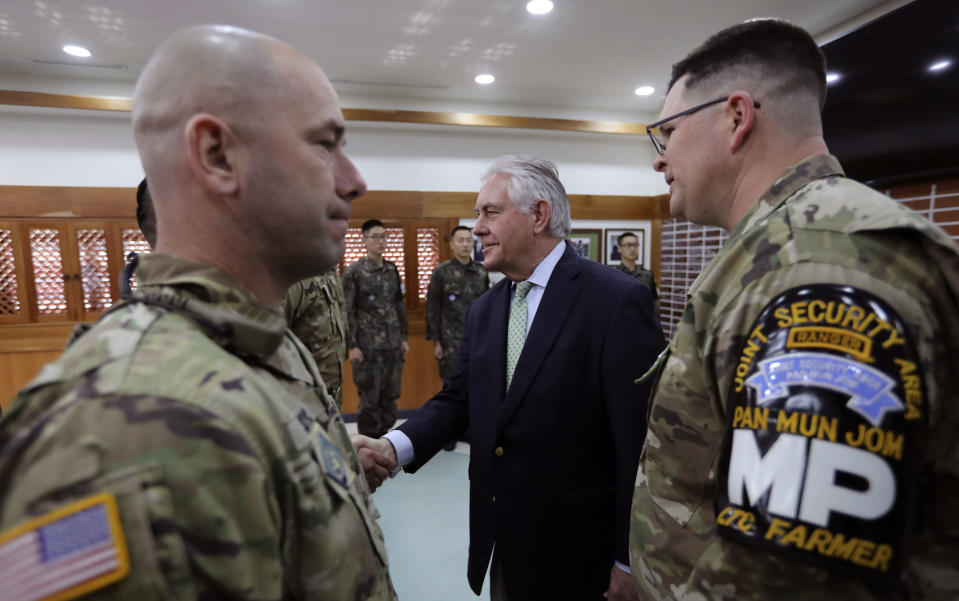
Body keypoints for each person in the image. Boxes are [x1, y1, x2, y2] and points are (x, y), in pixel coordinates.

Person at [0, 25, 398, 600]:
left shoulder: (265, 343)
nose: (354, 180)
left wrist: (317, 476)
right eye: (324, 144)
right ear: (217, 155)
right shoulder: (122, 423)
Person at [630, 19, 959, 600]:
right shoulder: (784, 245)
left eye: (668, 133)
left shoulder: (814, 267)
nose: (660, 160)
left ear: (736, 117)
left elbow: (792, 578)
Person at [356, 155, 665, 600]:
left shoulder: (615, 301)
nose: (477, 227)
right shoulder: (486, 309)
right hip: (504, 541)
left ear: (538, 215)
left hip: (584, 556)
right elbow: (459, 399)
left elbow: (639, 444)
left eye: (490, 212)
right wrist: (392, 447)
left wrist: (628, 559)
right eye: (477, 213)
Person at [343, 219, 409, 438]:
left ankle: (384, 443)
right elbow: (346, 312)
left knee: (390, 400)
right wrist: (351, 346)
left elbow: (399, 306)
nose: (381, 241)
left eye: (384, 236)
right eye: (376, 237)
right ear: (364, 240)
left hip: (392, 347)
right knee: (370, 402)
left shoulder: (392, 269)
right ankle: (368, 450)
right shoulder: (354, 272)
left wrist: (403, 338)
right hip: (367, 349)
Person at [426, 225, 489, 381]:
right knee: (452, 386)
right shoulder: (441, 272)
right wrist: (436, 342)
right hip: (450, 343)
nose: (466, 244)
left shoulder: (481, 272)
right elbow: (433, 307)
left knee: (477, 384)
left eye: (469, 240)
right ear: (452, 244)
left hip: (477, 340)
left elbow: (488, 308)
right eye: (460, 240)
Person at [284, 271, 349, 407]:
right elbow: (275, 341)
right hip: (304, 397)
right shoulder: (293, 277)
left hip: (332, 391)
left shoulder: (331, 274)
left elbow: (341, 317)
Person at [611, 231, 659, 317]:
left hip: (643, 322)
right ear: (619, 248)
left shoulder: (647, 274)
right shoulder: (612, 274)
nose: (632, 248)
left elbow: (653, 302)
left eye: (635, 245)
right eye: (628, 245)